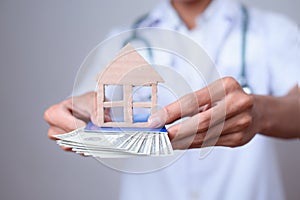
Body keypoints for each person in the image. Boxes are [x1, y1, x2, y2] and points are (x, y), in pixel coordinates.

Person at [44, 0, 300, 199]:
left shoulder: (271, 31)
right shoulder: (125, 41)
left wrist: (260, 113)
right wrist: (78, 115)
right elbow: (83, 104)